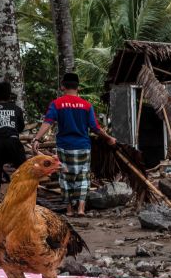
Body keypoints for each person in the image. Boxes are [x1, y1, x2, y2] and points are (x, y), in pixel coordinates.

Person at [32, 73, 116, 217]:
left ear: (62, 86)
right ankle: (81, 209)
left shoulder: (57, 104)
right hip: (83, 146)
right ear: (78, 87)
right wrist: (109, 138)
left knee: (66, 178)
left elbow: (48, 122)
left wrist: (37, 139)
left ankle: (69, 210)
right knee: (82, 177)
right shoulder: (86, 105)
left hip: (64, 146)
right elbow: (95, 127)